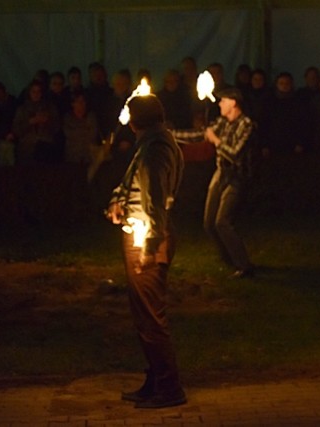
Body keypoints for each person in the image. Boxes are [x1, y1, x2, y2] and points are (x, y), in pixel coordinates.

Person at [106, 94, 186, 409]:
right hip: (143, 234)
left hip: (148, 239)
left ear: (137, 120)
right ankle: (156, 381)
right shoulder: (150, 144)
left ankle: (169, 388)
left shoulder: (156, 148)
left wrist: (149, 247)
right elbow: (132, 183)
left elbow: (154, 201)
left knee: (152, 318)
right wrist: (118, 201)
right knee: (145, 316)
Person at [173, 87, 255, 278]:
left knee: (222, 222)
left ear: (233, 103)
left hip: (237, 176)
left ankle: (244, 265)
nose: (219, 104)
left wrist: (216, 141)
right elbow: (199, 135)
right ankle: (229, 259)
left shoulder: (248, 125)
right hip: (220, 173)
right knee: (209, 223)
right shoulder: (222, 122)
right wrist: (170, 134)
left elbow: (235, 154)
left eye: (223, 101)